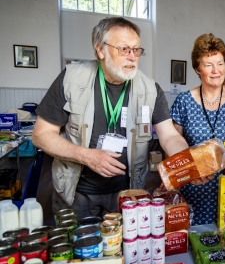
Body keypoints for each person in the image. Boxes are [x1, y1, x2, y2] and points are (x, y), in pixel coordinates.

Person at [32, 17, 189, 219]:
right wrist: (86, 156)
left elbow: (169, 136)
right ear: (100, 50)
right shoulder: (70, 80)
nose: (132, 57)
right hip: (76, 194)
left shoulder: (150, 89)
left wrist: (189, 163)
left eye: (136, 50)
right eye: (123, 49)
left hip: (128, 194)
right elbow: (41, 135)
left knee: (126, 249)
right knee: (80, 249)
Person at [169, 33, 225, 225]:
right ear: (197, 69)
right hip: (194, 186)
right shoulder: (184, 102)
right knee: (196, 244)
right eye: (209, 65)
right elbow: (172, 146)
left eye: (220, 63)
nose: (216, 70)